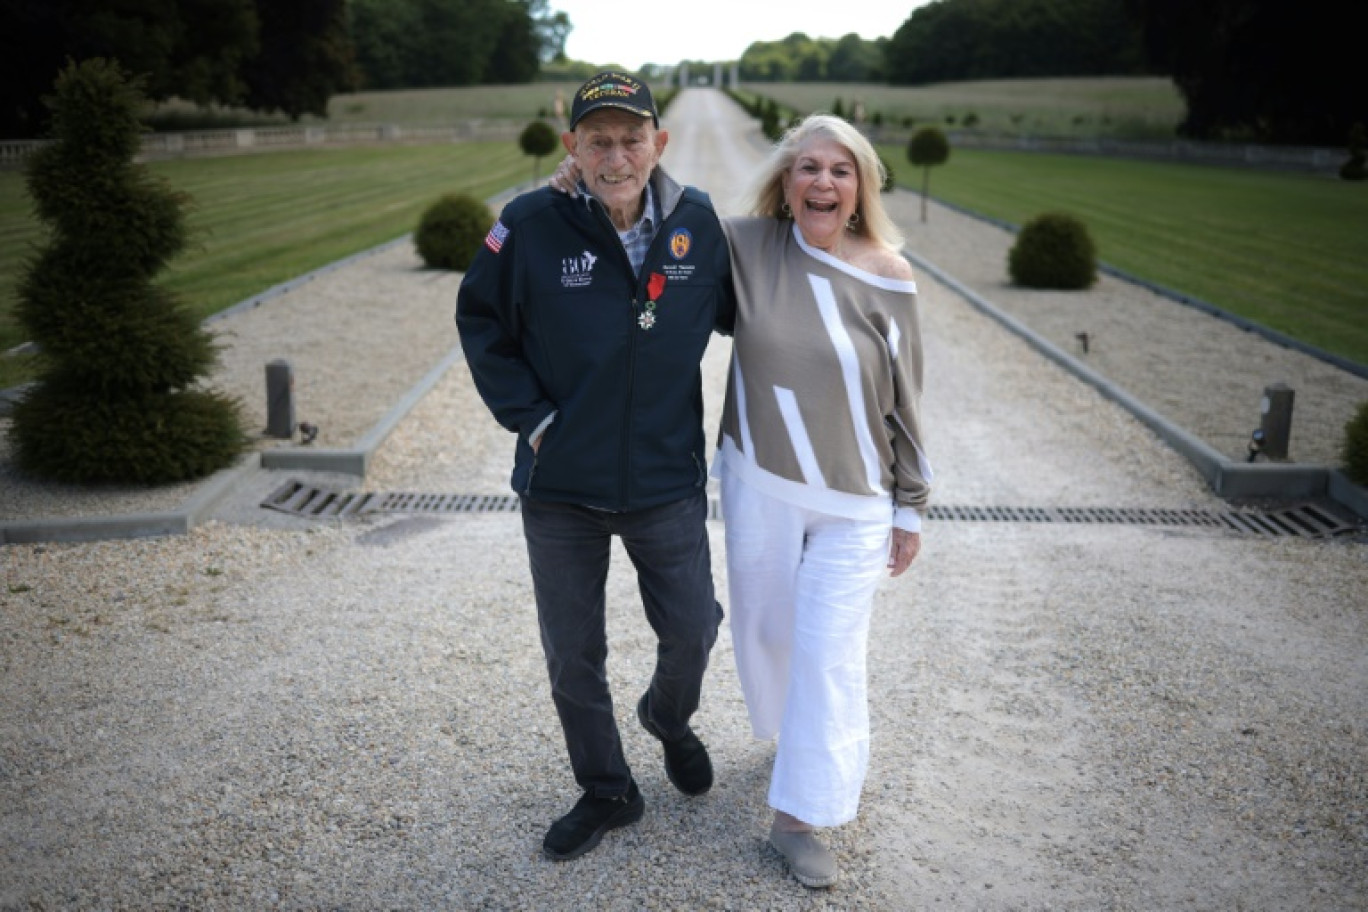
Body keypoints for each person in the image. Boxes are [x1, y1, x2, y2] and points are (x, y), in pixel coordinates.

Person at [551, 112, 930, 888]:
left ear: (860, 187)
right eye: (807, 169)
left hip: (855, 503)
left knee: (829, 655)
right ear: (784, 184)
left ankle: (800, 818)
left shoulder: (889, 273)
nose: (823, 182)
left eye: (840, 170)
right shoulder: (744, 246)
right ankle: (797, 742)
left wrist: (910, 504)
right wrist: (582, 186)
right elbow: (653, 229)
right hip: (759, 484)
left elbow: (908, 400)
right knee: (763, 635)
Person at [455, 70, 737, 862]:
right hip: (561, 490)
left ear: (660, 143)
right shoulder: (530, 223)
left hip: (664, 482)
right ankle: (608, 788)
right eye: (598, 140)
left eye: (631, 138)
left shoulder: (699, 226)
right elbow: (481, 323)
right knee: (574, 654)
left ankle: (668, 718)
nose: (616, 155)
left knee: (694, 628)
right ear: (572, 146)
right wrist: (536, 422)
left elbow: (753, 313)